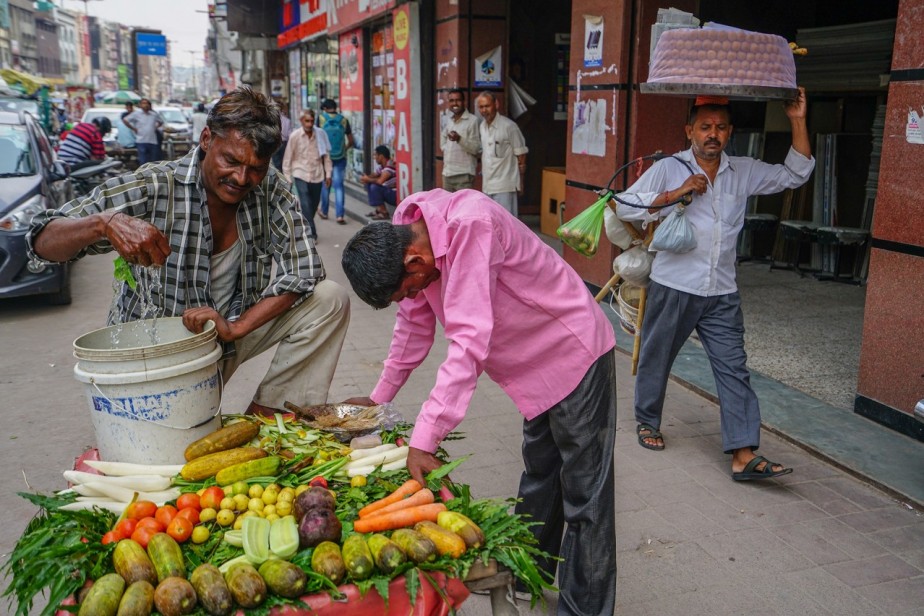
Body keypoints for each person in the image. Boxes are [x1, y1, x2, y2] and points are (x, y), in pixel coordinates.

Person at [341, 188, 618, 615]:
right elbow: (413, 327)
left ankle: (585, 609)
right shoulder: (405, 231)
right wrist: (378, 400)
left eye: (409, 290)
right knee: (541, 475)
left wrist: (425, 438)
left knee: (586, 496)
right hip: (530, 369)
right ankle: (528, 573)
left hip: (572, 352)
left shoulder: (471, 225)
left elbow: (469, 340)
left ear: (414, 261)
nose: (413, 297)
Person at [28, 86, 351, 417]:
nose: (242, 178)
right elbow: (40, 240)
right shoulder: (154, 185)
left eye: (256, 167)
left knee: (329, 299)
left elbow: (304, 270)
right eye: (231, 161)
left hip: (225, 337)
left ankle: (269, 417)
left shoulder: (271, 189)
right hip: (159, 360)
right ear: (207, 139)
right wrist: (103, 223)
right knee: (174, 442)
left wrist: (237, 327)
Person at [616, 89, 814, 481]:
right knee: (657, 357)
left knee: (734, 368)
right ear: (689, 130)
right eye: (705, 127)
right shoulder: (669, 167)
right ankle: (647, 420)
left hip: (721, 291)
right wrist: (676, 193)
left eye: (720, 127)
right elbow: (624, 204)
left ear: (730, 132)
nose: (713, 134)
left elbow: (796, 174)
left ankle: (743, 453)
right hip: (674, 284)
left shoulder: (743, 170)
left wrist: (796, 119)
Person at [282, 108, 332, 241]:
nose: (309, 124)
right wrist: (287, 177)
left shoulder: (320, 134)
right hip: (300, 173)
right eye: (307, 121)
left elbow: (326, 156)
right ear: (301, 121)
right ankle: (312, 234)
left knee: (313, 205)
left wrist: (328, 174)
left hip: (317, 174)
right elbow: (288, 158)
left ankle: (305, 224)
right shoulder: (295, 136)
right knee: (305, 203)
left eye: (311, 121)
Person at [476, 91, 528, 216]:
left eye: (487, 106)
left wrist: (521, 182)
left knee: (506, 222)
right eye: (481, 107)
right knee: (490, 222)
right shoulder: (482, 126)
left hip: (505, 186)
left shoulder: (509, 126)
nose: (484, 110)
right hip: (487, 185)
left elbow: (521, 155)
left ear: (496, 104)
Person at [317, 98, 355, 224]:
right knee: (339, 187)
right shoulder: (343, 120)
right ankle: (340, 215)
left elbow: (316, 138)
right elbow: (351, 140)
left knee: (326, 185)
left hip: (325, 157)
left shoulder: (321, 119)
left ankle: (324, 211)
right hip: (340, 157)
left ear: (325, 108)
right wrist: (344, 149)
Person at [440, 89, 481, 191]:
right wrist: (445, 148)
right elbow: (443, 136)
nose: (455, 103)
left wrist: (459, 139)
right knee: (447, 202)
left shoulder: (472, 120)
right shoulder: (449, 119)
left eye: (458, 100)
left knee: (463, 202)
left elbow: (476, 148)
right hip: (447, 173)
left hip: (464, 174)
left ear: (464, 102)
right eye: (452, 100)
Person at [358, 145, 396, 220]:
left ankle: (384, 213)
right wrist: (365, 178)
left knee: (375, 187)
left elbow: (380, 181)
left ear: (381, 156)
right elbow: (374, 175)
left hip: (395, 195)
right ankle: (379, 210)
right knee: (369, 183)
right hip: (389, 192)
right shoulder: (383, 166)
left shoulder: (390, 166)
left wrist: (368, 179)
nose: (374, 158)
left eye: (376, 155)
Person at [122, 98, 164, 165]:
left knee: (153, 161)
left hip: (152, 141)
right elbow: (125, 120)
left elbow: (161, 122)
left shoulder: (154, 114)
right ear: (140, 105)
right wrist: (133, 129)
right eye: (143, 103)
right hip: (141, 141)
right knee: (143, 161)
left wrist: (154, 127)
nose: (145, 105)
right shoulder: (136, 114)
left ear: (149, 105)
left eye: (147, 103)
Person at [272, 103, 292, 170]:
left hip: (275, 142)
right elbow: (289, 134)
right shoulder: (287, 120)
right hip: (284, 143)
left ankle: (279, 173)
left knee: (276, 162)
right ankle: (283, 173)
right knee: (283, 161)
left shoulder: (273, 120)